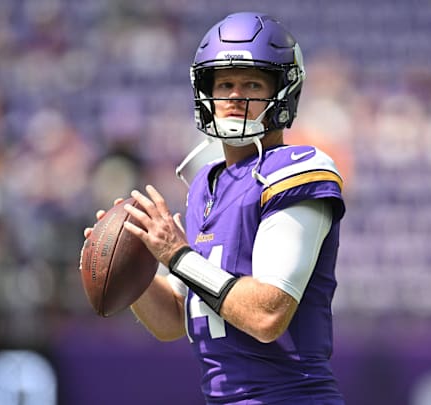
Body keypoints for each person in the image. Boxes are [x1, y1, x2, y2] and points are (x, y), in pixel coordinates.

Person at [84, 12, 346, 404]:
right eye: (224, 84)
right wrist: (131, 259)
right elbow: (174, 318)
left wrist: (176, 254)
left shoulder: (299, 169)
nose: (235, 96)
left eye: (252, 83)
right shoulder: (205, 184)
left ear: (283, 92)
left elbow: (266, 315)